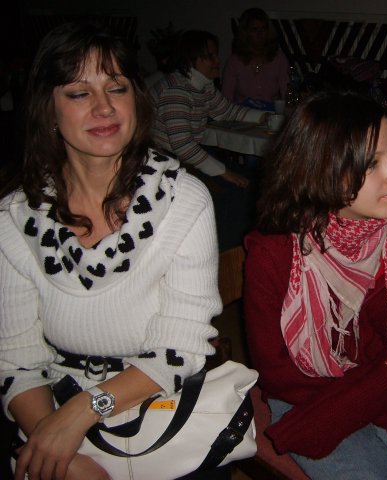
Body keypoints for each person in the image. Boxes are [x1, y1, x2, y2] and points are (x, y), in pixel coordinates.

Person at [0, 22, 226, 479]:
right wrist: (58, 448)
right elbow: (15, 358)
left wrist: (83, 412)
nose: (104, 107)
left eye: (116, 87)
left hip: (159, 399)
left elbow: (180, 348)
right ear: (48, 110)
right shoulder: (14, 218)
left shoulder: (184, 201)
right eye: (79, 93)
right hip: (48, 403)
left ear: (135, 101)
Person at [243, 91, 387, 479]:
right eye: (372, 163)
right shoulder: (275, 252)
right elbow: (276, 372)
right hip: (306, 395)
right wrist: (337, 412)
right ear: (319, 168)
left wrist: (324, 423)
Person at [150, 30, 268, 251]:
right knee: (235, 192)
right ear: (190, 60)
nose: (217, 61)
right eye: (210, 56)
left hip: (185, 156)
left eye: (216, 54)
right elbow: (182, 145)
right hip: (165, 162)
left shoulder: (202, 86)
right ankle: (223, 253)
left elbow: (227, 111)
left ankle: (243, 246)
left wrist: (266, 118)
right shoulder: (175, 91)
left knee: (253, 179)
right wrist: (224, 172)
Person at [222, 7, 289, 111]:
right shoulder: (235, 61)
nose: (260, 34)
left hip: (271, 114)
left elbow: (287, 93)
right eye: (254, 29)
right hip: (243, 115)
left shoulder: (279, 59)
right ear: (246, 32)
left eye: (263, 29)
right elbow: (227, 98)